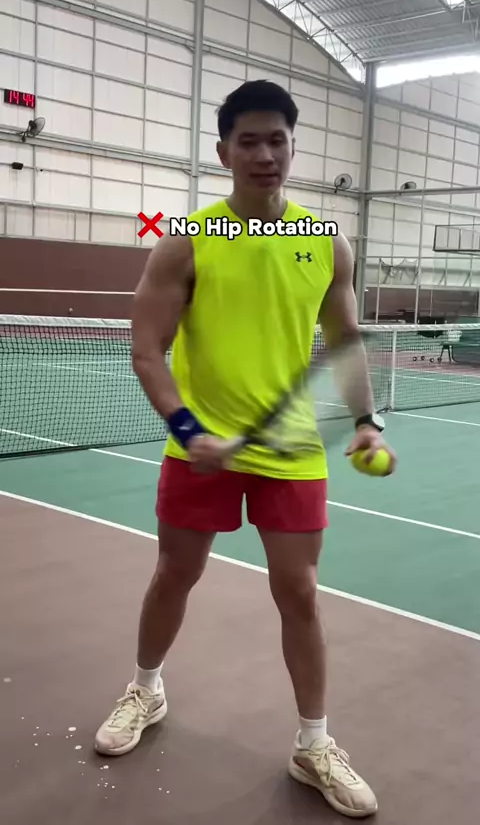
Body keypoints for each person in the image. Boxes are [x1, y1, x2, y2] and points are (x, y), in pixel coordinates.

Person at [94, 80, 396, 819]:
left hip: (290, 455)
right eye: (249, 141)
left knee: (300, 593)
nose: (265, 154)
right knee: (175, 573)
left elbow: (345, 339)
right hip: (198, 448)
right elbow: (147, 348)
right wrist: (186, 430)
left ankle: (313, 743)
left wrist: (367, 419)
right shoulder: (187, 239)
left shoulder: (326, 241)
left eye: (277, 140)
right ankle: (145, 690)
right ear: (223, 151)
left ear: (293, 146)